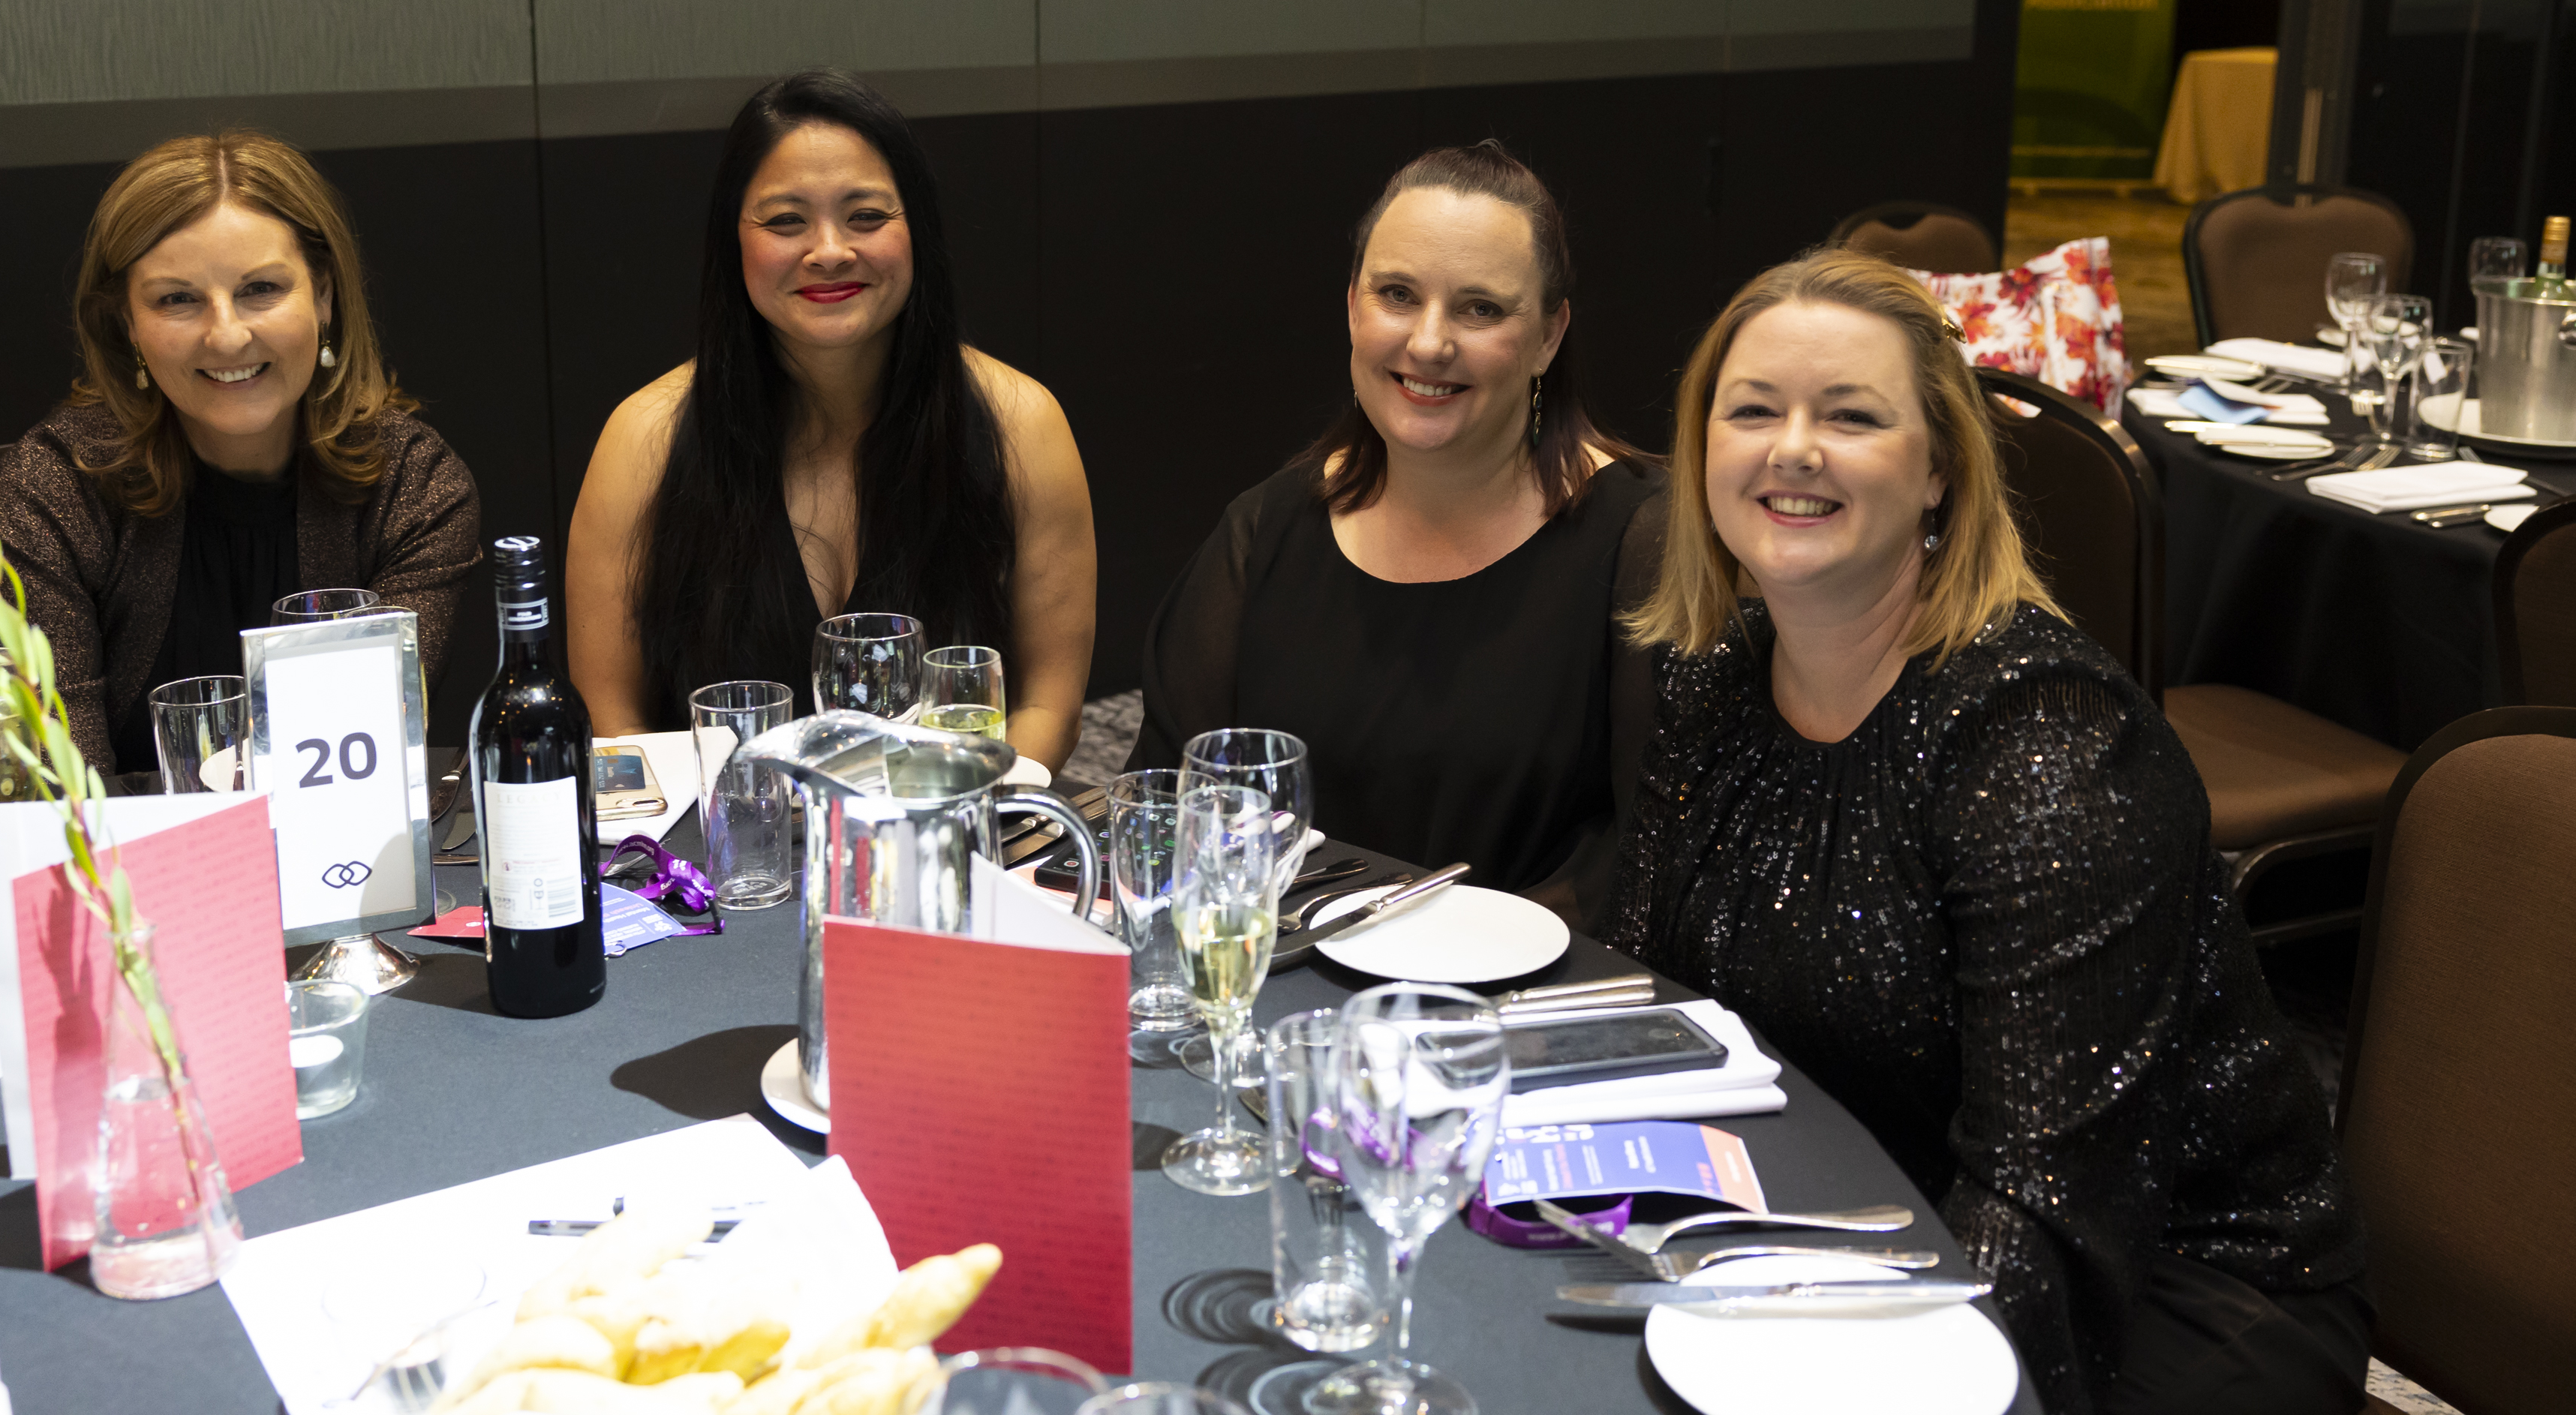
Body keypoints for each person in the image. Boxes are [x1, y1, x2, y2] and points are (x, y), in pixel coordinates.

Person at [1605, 250, 2367, 1414]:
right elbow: (1661, 1012)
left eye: (1851, 417)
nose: (1792, 448)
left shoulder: (2046, 747)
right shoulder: (1718, 684)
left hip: (2164, 1290)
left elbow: (2046, 1210)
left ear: (1941, 474)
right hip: (1860, 1230)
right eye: (1751, 410)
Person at [1127, 143, 1657, 909]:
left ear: (1548, 336)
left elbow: (1654, 858)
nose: (1430, 343)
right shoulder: (1266, 530)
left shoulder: (1641, 544)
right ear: (1352, 308)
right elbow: (1171, 804)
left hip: (1526, 1003)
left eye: (1481, 308)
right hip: (1292, 995)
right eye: (1398, 295)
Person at [0, 133, 480, 792]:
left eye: (261, 289)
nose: (226, 334)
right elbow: (64, 797)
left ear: (326, 297)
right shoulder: (54, 490)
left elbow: (359, 784)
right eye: (177, 299)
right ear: (126, 324)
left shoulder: (414, 485)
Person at [567, 71, 1095, 771]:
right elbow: (613, 724)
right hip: (720, 866)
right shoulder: (645, 437)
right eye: (786, 220)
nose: (830, 250)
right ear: (735, 242)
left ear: (919, 229)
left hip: (948, 853)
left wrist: (948, 828)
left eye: (867, 216)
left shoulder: (1023, 423)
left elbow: (1046, 705)